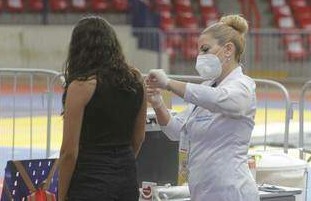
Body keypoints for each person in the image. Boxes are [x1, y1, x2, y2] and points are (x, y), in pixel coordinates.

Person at [145, 14, 259, 201]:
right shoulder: (206, 88)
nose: (201, 57)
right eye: (199, 51)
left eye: (205, 50)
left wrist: (169, 84)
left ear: (228, 49)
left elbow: (219, 100)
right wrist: (158, 104)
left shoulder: (244, 86)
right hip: (202, 191)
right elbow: (176, 132)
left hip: (231, 191)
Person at [58, 16, 146, 201]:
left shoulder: (81, 86)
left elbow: (69, 151)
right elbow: (139, 137)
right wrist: (120, 164)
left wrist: (61, 193)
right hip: (126, 176)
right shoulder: (136, 80)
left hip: (90, 179)